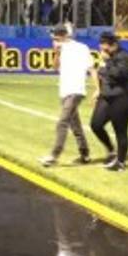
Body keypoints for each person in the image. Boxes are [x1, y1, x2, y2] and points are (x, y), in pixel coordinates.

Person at [41, 26, 94, 167]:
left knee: (62, 123)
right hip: (64, 90)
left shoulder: (81, 48)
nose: (54, 41)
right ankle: (85, 154)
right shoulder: (60, 50)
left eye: (56, 38)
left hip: (76, 90)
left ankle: (54, 155)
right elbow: (55, 67)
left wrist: (98, 89)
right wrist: (57, 53)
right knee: (75, 125)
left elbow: (91, 69)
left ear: (64, 36)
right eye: (54, 39)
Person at [89, 32, 128, 171]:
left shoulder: (125, 57)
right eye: (102, 47)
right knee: (96, 124)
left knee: (120, 131)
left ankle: (120, 163)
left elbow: (118, 75)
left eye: (105, 48)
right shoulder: (108, 57)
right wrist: (98, 90)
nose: (102, 50)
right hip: (106, 96)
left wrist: (108, 61)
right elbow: (102, 75)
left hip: (122, 98)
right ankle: (111, 151)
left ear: (114, 45)